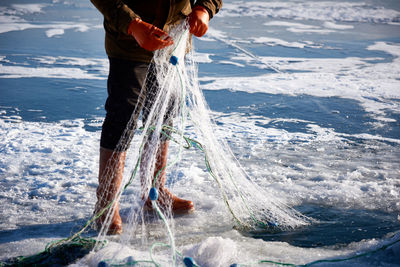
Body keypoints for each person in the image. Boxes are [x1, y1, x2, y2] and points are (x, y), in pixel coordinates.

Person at [90, 0, 223, 235]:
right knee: (123, 117)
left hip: (174, 39)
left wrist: (205, 8)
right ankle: (106, 204)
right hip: (129, 42)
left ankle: (156, 192)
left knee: (165, 113)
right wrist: (133, 24)